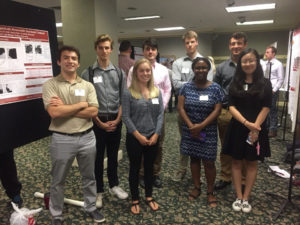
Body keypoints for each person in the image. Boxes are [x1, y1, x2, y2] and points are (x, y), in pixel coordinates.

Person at [42, 45, 105, 224]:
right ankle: (56, 214)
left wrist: (65, 108)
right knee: (58, 179)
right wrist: (80, 105)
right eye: (66, 58)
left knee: (89, 176)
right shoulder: (50, 85)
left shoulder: (87, 85)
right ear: (59, 61)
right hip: (62, 138)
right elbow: (54, 113)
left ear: (78, 63)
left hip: (87, 137)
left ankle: (91, 206)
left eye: (74, 58)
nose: (70, 61)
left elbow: (93, 112)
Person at [222, 48, 272, 213]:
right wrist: (246, 123)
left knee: (252, 162)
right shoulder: (235, 83)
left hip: (256, 130)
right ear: (240, 64)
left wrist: (255, 126)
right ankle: (238, 196)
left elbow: (266, 107)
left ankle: (246, 197)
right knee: (236, 161)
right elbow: (231, 106)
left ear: (257, 62)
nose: (248, 64)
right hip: (238, 127)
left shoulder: (265, 83)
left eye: (251, 60)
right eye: (245, 61)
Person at [81, 34, 128, 208]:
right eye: (101, 47)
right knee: (98, 158)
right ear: (96, 49)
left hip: (115, 119)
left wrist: (117, 119)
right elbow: (86, 102)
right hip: (97, 121)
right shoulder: (88, 73)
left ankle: (114, 185)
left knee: (114, 156)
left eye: (107, 47)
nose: (104, 51)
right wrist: (98, 122)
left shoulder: (119, 73)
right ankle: (99, 190)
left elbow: (123, 98)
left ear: (111, 49)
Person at [178, 57, 223, 207]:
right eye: (198, 67)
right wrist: (192, 126)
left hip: (208, 130)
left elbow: (217, 110)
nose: (201, 70)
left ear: (208, 69)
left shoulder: (215, 88)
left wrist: (201, 126)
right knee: (194, 159)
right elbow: (181, 108)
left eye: (204, 68)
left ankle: (210, 192)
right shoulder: (186, 87)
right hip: (190, 129)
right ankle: (197, 187)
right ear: (193, 69)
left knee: (209, 162)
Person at [127, 38, 171, 188]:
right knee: (140, 143)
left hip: (158, 114)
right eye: (147, 49)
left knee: (157, 144)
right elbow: (129, 89)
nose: (150, 51)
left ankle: (155, 173)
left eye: (153, 49)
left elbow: (167, 90)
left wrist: (162, 107)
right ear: (143, 51)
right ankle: (141, 174)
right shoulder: (134, 69)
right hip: (139, 113)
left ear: (156, 51)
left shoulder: (163, 70)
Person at [122, 58, 164, 214]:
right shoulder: (128, 92)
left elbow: (160, 114)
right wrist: (138, 136)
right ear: (136, 73)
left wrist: (156, 134)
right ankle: (135, 198)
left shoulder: (156, 91)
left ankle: (149, 196)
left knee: (149, 168)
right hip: (135, 138)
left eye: (148, 70)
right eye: (142, 71)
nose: (145, 73)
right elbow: (126, 116)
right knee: (134, 168)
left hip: (153, 136)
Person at [172, 30, 215, 181]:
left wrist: (189, 87)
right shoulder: (178, 63)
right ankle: (182, 169)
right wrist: (196, 84)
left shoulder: (205, 61)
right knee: (185, 141)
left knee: (203, 141)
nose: (189, 45)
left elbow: (208, 86)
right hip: (184, 111)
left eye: (192, 42)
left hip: (203, 112)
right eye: (187, 42)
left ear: (196, 42)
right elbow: (176, 85)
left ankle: (202, 173)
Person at [213, 32, 248, 190]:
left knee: (245, 146)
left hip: (247, 113)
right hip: (226, 113)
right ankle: (225, 176)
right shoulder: (221, 68)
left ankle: (242, 179)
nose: (236, 46)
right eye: (233, 43)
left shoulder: (251, 65)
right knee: (226, 146)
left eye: (239, 43)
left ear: (244, 45)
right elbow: (216, 89)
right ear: (229, 46)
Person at [261, 46, 284, 137]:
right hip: (264, 89)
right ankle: (266, 127)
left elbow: (281, 79)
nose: (265, 54)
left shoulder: (278, 64)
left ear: (273, 53)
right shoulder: (264, 64)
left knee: (272, 110)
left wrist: (274, 90)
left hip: (272, 90)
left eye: (267, 52)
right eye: (266, 52)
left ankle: (273, 129)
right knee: (264, 108)